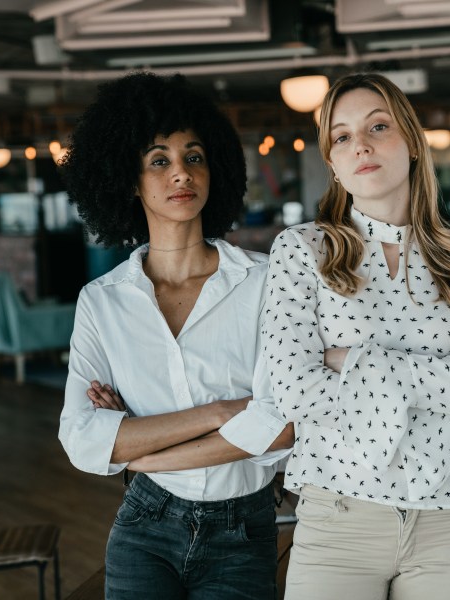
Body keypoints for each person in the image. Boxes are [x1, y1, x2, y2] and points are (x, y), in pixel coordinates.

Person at [261, 72, 450, 600]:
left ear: (412, 143)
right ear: (333, 164)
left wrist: (353, 361)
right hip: (339, 517)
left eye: (377, 126)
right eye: (342, 136)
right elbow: (293, 391)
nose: (360, 144)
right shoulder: (302, 250)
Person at [58, 72, 293, 600]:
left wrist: (134, 444)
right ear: (129, 179)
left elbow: (282, 427)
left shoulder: (268, 282)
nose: (181, 172)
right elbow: (82, 439)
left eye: (194, 156)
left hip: (245, 527)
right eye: (159, 160)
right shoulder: (102, 301)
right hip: (145, 524)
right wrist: (221, 412)